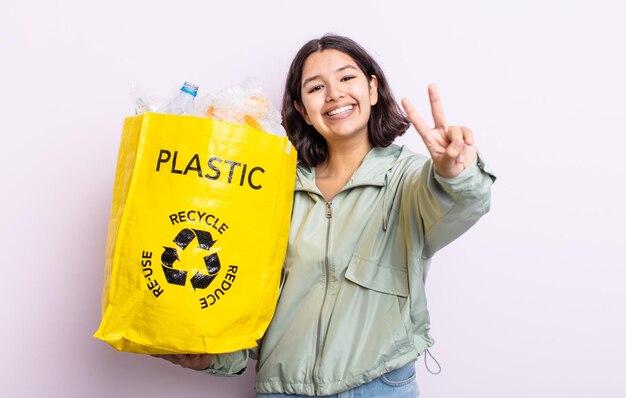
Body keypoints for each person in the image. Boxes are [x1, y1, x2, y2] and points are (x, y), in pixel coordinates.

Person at [154, 34, 496, 397]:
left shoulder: (408, 178)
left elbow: (459, 203)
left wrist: (455, 173)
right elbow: (253, 296)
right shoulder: (275, 186)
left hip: (376, 385)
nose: (334, 94)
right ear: (302, 108)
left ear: (373, 88)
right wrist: (213, 358)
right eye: (316, 87)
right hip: (283, 390)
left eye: (347, 78)